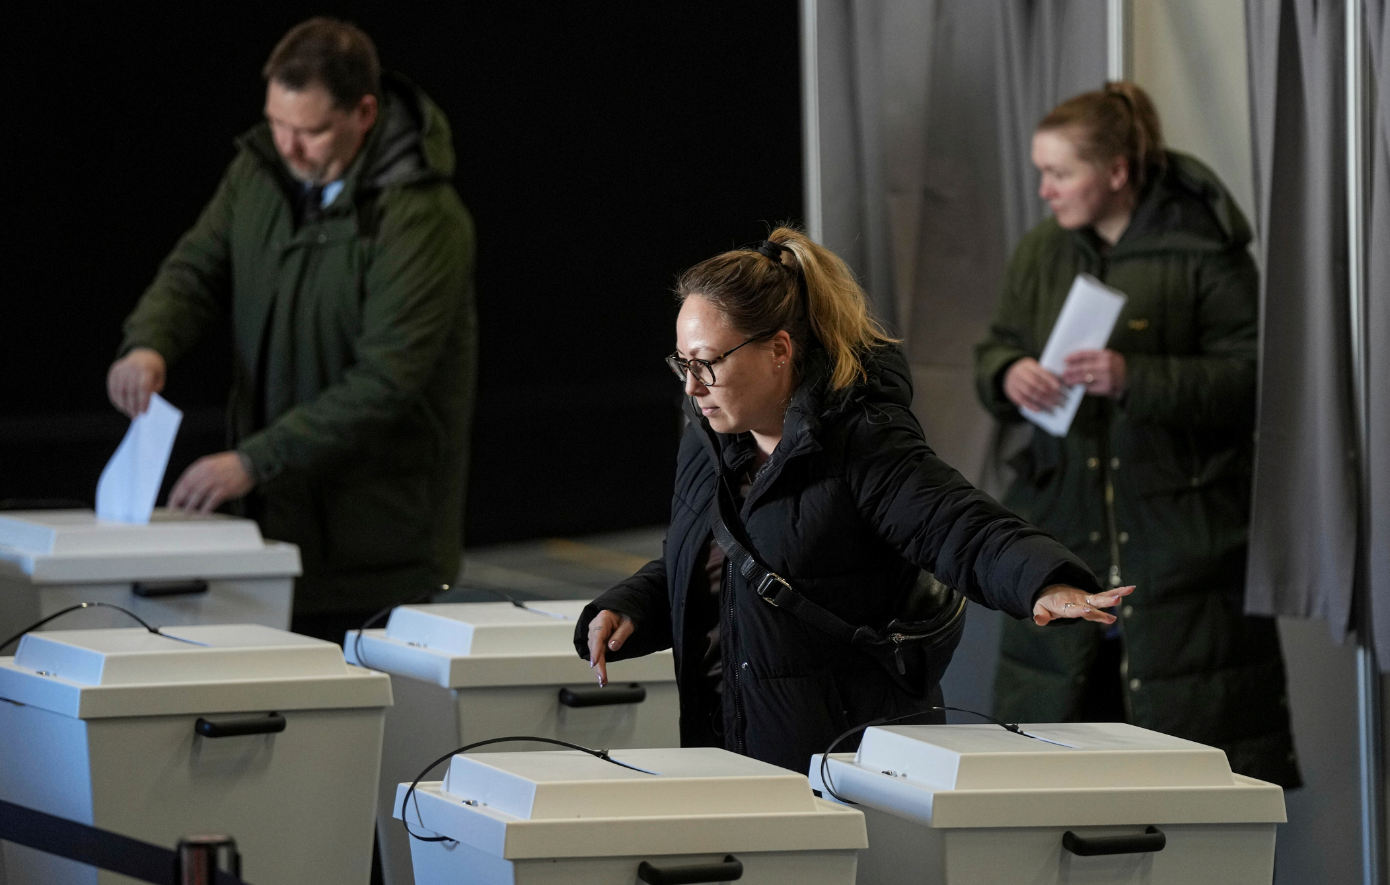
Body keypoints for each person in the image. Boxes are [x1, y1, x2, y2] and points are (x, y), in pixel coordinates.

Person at [574, 227, 1133, 773]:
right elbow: (712, 561)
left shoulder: (862, 439)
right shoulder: (707, 440)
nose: (692, 387)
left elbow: (958, 523)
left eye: (708, 362)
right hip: (723, 758)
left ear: (779, 350)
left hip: (845, 771)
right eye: (682, 363)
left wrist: (1044, 581)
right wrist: (633, 605)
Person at [106, 18, 477, 642]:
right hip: (276, 529)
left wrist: (255, 460)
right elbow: (195, 270)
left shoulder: (423, 217)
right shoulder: (258, 174)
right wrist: (148, 343)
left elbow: (387, 380)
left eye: (309, 130)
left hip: (377, 551)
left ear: (364, 112)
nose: (288, 146)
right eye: (277, 124)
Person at [975, 82, 1300, 787]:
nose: (1044, 190)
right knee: (1062, 796)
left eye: (1060, 173)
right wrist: (1008, 376)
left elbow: (1259, 382)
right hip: (1066, 546)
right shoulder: (1043, 252)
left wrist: (1136, 379)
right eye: (1041, 171)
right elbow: (994, 348)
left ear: (1116, 172)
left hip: (1182, 559)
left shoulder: (1203, 248)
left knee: (1182, 800)